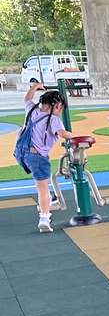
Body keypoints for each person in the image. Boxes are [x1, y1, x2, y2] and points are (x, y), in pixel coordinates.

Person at [14, 83, 74, 233]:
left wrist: (35, 87)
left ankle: (50, 199)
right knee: (42, 189)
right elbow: (63, 134)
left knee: (43, 185)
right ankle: (44, 218)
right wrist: (79, 136)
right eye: (61, 108)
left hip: (21, 153)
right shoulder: (53, 120)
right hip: (36, 157)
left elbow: (27, 98)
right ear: (57, 105)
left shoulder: (32, 110)